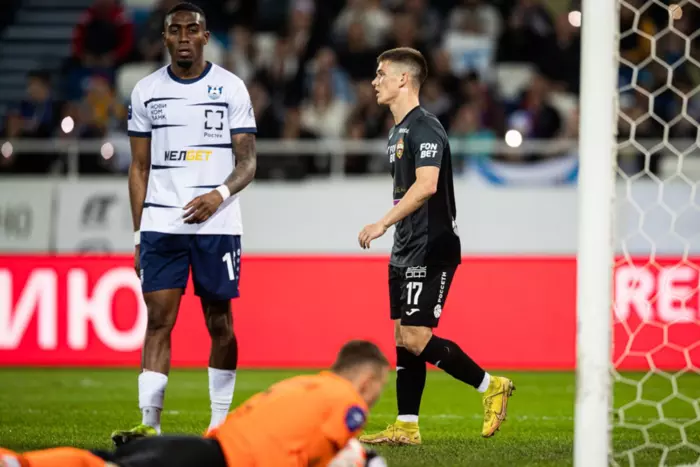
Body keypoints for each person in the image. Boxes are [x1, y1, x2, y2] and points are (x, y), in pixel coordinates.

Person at [112, 2, 257, 444]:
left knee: (220, 322)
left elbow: (248, 162)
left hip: (217, 225)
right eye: (175, 30)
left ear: (205, 37)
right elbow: (139, 168)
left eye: (192, 29)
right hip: (162, 223)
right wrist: (139, 234)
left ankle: (219, 423)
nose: (183, 38)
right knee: (159, 320)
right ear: (164, 38)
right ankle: (149, 423)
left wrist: (218, 196)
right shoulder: (146, 91)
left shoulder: (230, 88)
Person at [357, 47, 515, 445]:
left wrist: (382, 223)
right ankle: (407, 425)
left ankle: (490, 385)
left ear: (403, 79)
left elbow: (426, 186)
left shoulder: (425, 127)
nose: (375, 81)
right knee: (402, 337)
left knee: (415, 336)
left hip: (431, 244)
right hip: (407, 244)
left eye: (381, 74)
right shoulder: (396, 132)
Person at [0, 340, 390, 467]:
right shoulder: (347, 401)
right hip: (209, 462)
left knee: (99, 461)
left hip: (196, 450)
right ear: (366, 381)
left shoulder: (305, 384)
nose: (374, 398)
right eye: (380, 387)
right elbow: (347, 452)